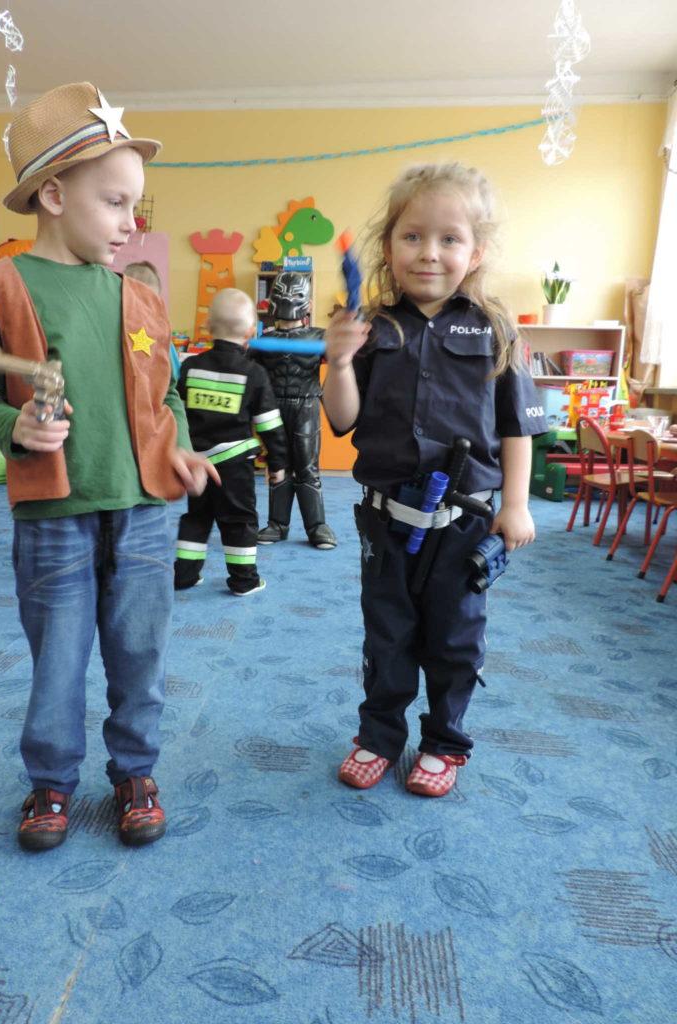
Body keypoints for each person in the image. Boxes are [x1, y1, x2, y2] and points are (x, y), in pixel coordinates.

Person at [0, 81, 218, 852]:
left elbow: (164, 395)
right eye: (114, 203)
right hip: (53, 518)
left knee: (140, 653)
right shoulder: (0, 286)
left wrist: (178, 448)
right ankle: (51, 780)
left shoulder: (140, 298)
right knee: (58, 659)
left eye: (136, 206)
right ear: (52, 195)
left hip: (144, 512)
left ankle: (135, 771)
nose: (131, 223)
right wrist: (15, 428)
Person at [323, 162, 548, 798]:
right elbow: (342, 419)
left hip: (464, 521)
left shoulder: (497, 330)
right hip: (386, 518)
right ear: (389, 246)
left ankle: (445, 743)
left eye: (449, 239)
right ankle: (378, 737)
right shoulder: (373, 328)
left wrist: (516, 504)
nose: (429, 252)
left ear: (475, 253)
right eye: (413, 236)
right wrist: (339, 360)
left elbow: (517, 427)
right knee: (387, 634)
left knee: (455, 639)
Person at [174, 288, 287, 596]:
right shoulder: (254, 373)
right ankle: (244, 580)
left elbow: (177, 413)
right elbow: (269, 424)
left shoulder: (191, 367)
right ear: (251, 331)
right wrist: (277, 462)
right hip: (234, 465)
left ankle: (185, 575)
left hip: (197, 462)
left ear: (208, 327)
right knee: (239, 519)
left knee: (197, 517)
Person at [253, 272, 337, 550]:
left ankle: (317, 526)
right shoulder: (263, 340)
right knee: (279, 465)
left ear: (308, 303)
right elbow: (247, 372)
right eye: (282, 293)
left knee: (307, 466)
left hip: (306, 405)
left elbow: (344, 360)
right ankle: (278, 524)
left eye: (295, 294)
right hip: (273, 408)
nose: (288, 299)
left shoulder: (320, 337)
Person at [122, 260, 182, 382]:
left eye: (147, 302)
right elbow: (176, 375)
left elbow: (174, 375)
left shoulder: (162, 336)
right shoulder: (162, 335)